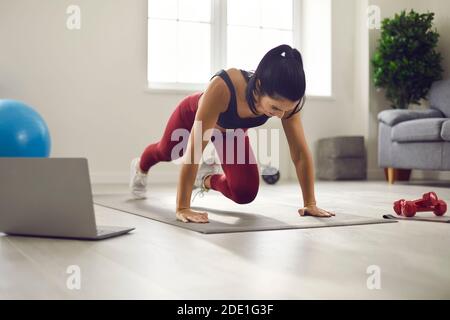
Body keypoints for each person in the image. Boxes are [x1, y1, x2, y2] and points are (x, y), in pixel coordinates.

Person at [130, 44, 335, 223]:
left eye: (286, 109)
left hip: (230, 133)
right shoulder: (223, 87)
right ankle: (140, 167)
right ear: (259, 86)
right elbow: (193, 153)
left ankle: (204, 178)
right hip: (192, 115)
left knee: (244, 191)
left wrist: (310, 203)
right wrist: (183, 207)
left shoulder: (286, 105)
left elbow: (299, 152)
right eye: (274, 108)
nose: (281, 115)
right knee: (167, 151)